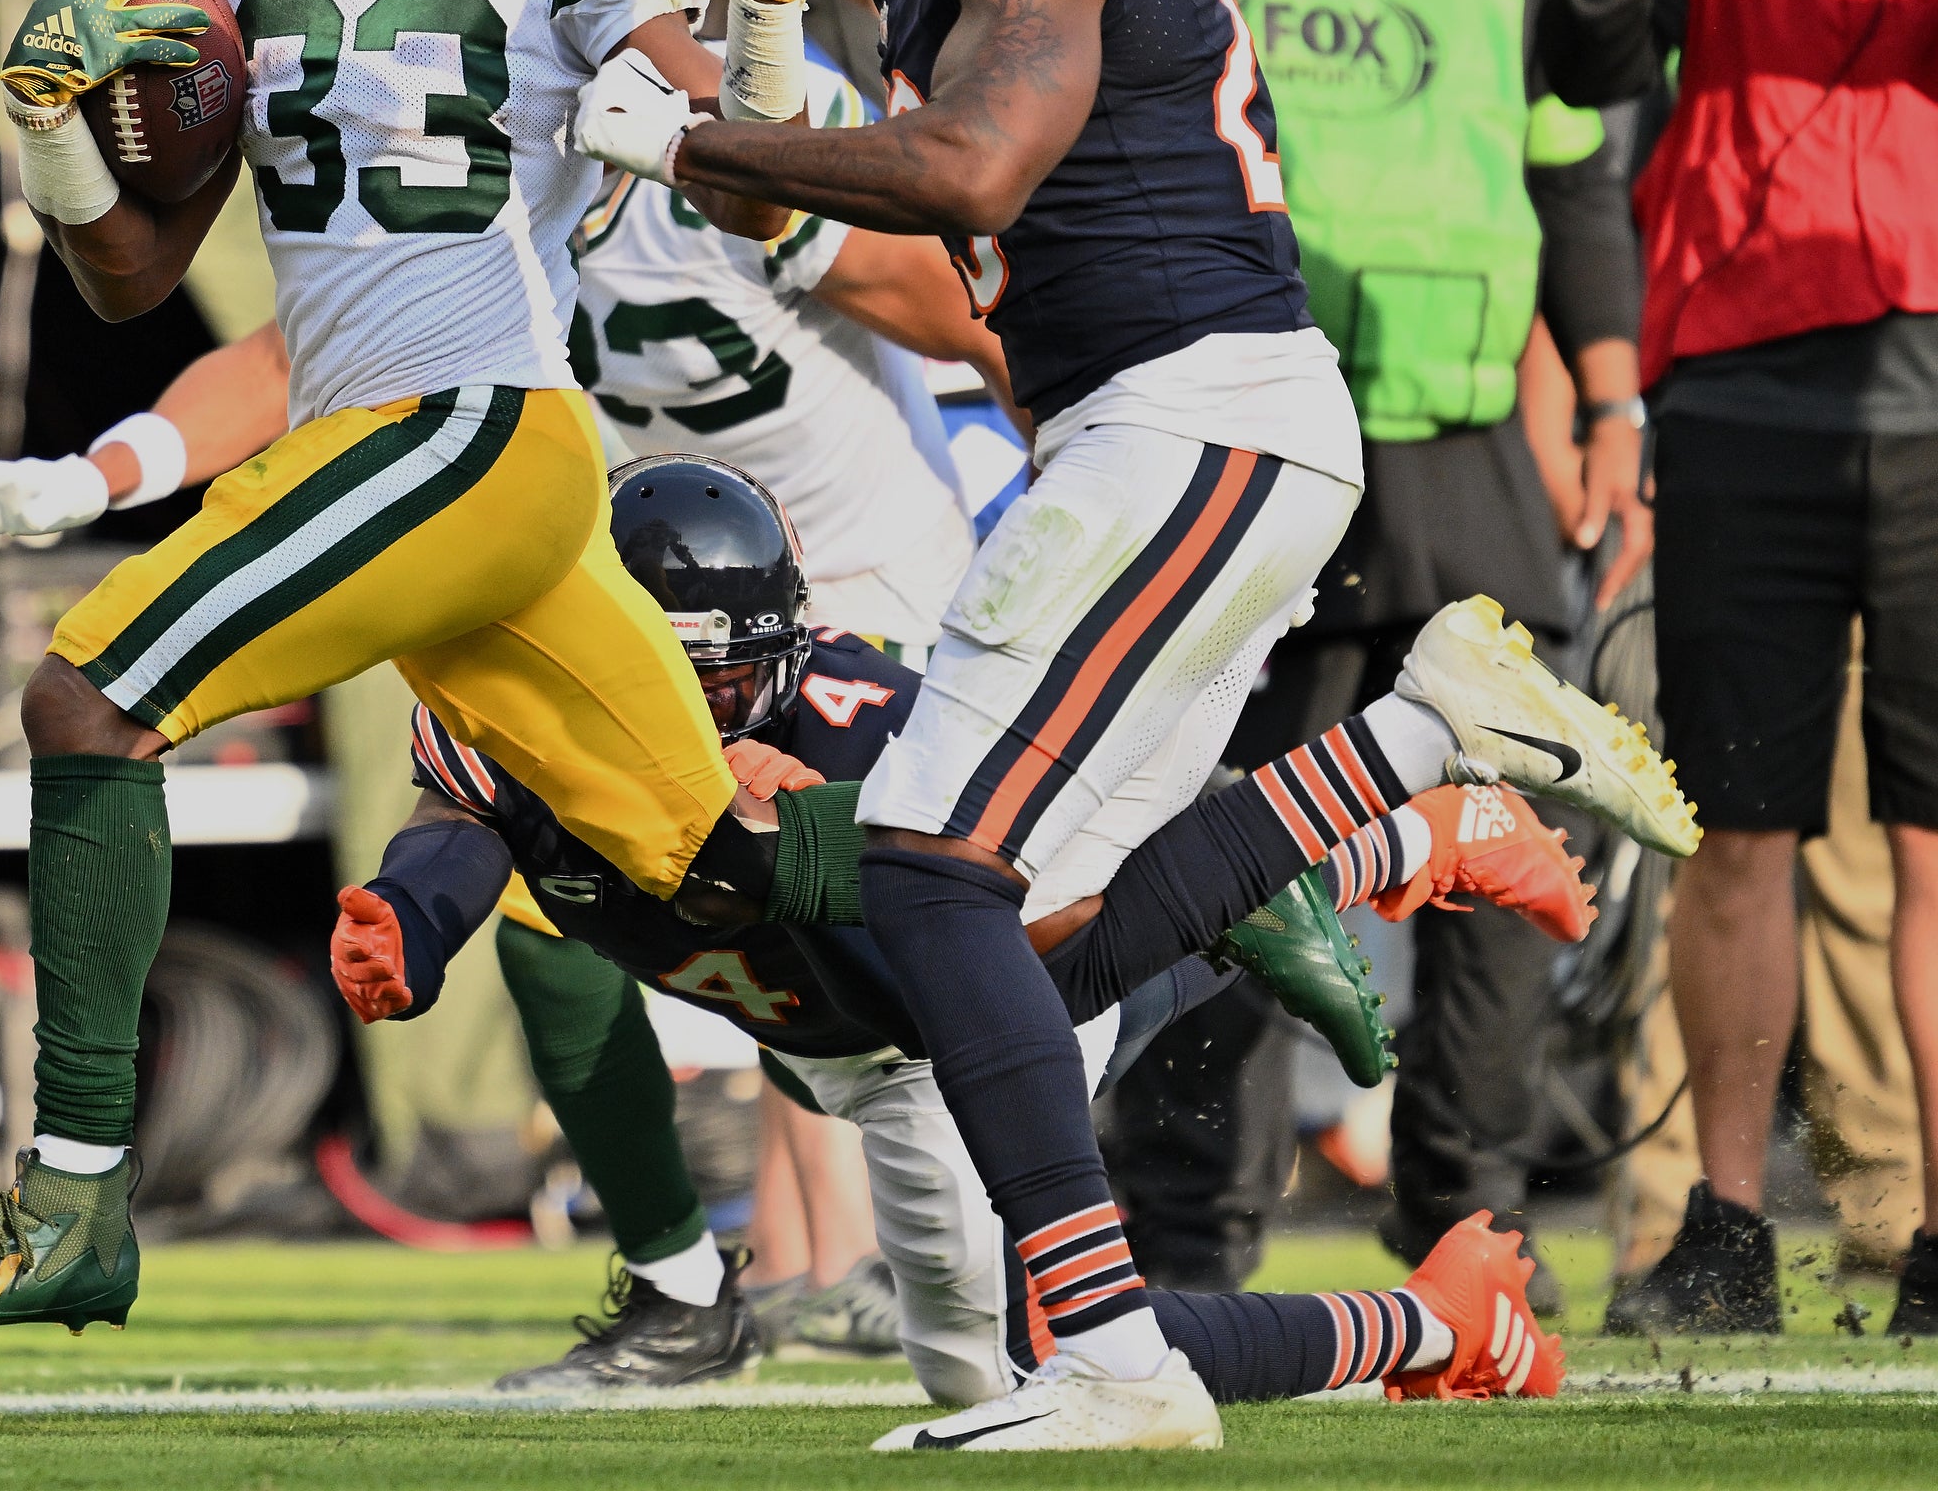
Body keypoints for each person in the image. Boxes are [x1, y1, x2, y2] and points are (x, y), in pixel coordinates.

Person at [573, 0, 1698, 1447]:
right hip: (1185, 421)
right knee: (1010, 926)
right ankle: (1411, 747)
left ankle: (1103, 1356)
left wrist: (680, 125)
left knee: (923, 874)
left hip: (1184, 415)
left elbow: (972, 169)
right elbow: (785, 193)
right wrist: (757, 24)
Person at [0, 0, 777, 1344]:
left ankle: (73, 1206)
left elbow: (690, 95)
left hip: (485, 431)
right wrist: (54, 135)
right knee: (687, 880)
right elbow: (133, 277)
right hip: (394, 452)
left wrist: (727, 64)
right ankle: (705, 1268)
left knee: (86, 692)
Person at [330, 454, 1580, 1416]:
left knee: (1025, 1361)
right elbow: (462, 818)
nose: (689, 714)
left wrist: (805, 837)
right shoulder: (527, 709)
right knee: (550, 936)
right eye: (659, 676)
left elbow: (995, 946)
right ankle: (1367, 850)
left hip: (945, 1005)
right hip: (824, 1044)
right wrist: (410, 912)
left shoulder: (856, 716)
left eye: (716, 682)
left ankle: (1434, 1317)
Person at [1110, 0, 1647, 1309]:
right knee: (1214, 846)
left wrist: (1614, 398)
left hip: (1462, 441)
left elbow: (1570, 171)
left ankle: (1468, 1218)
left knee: (1506, 843)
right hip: (1238, 436)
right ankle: (1192, 1234)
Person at [1541, 0, 1938, 1338]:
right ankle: (1719, 1226)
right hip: (1742, 385)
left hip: (1930, 392)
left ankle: (1932, 1228)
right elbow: (1587, 67)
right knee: (1737, 832)